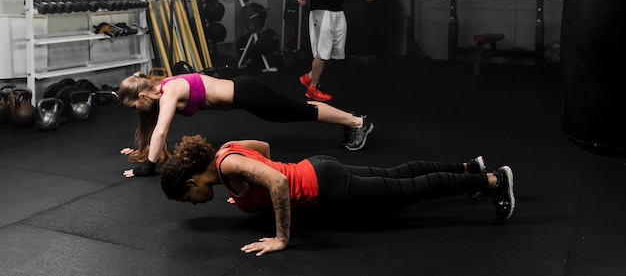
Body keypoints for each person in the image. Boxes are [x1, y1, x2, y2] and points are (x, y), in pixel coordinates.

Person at [160, 135, 515, 257]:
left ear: (191, 183)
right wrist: (251, 189)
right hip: (318, 168)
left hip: (328, 188)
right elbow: (265, 151)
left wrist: (283, 238)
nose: (193, 204)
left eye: (187, 199)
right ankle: (468, 167)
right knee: (401, 174)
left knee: (410, 190)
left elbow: (279, 184)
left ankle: (491, 182)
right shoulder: (226, 156)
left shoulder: (228, 169)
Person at [117, 72, 375, 177]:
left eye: (133, 106)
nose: (135, 111)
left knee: (300, 111)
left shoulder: (170, 90)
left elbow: (162, 130)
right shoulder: (159, 91)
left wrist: (148, 168)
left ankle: (357, 122)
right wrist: (141, 148)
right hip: (244, 96)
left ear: (141, 96)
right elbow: (153, 128)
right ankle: (351, 120)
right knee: (298, 111)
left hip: (248, 94)